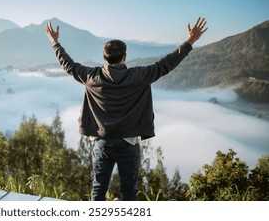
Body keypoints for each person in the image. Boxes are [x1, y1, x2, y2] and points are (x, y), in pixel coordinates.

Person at [44, 17, 208, 201]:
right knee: (130, 193)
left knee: (98, 191)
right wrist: (190, 41)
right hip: (129, 144)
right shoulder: (139, 76)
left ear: (105, 57)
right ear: (124, 57)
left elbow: (69, 65)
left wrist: (54, 42)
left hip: (102, 142)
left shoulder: (91, 77)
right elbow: (166, 64)